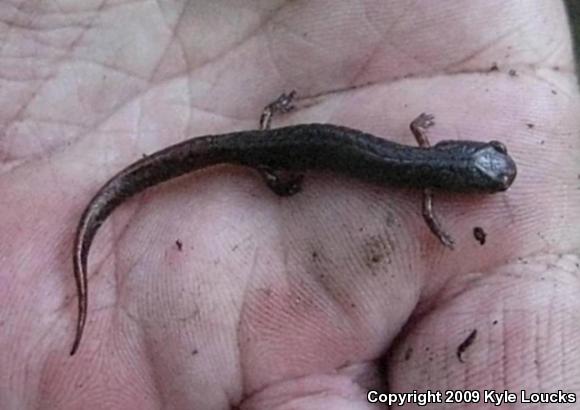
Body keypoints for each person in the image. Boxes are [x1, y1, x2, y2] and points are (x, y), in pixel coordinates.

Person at [1, 1, 578, 408]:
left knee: (245, 152)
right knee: (241, 157)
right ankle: (251, 175)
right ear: (457, 170)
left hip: (275, 139)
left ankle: (266, 161)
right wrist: (442, 236)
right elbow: (428, 212)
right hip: (268, 150)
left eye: (488, 172)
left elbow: (418, 143)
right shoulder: (424, 188)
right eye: (491, 163)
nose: (491, 170)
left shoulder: (422, 157)